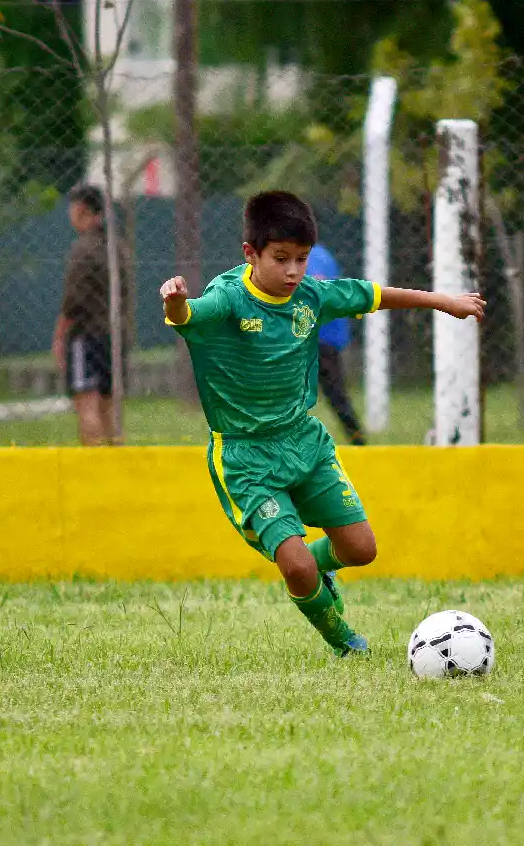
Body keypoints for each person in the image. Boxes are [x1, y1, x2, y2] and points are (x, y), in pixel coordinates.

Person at [160, 191, 485, 657]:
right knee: (293, 565)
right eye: (281, 259)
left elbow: (374, 295)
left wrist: (443, 302)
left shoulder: (311, 295)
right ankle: (344, 641)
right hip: (245, 457)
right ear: (250, 253)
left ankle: (317, 568)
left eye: (302, 259)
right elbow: (188, 316)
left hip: (304, 444)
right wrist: (175, 302)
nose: (294, 271)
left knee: (360, 549)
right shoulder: (228, 298)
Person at [52, 184, 124, 446]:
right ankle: (116, 460)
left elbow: (73, 301)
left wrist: (60, 337)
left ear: (80, 210)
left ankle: (93, 466)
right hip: (114, 334)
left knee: (86, 402)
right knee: (108, 404)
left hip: (86, 335)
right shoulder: (115, 246)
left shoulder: (83, 249)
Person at [307, 242, 367, 445]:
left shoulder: (311, 255)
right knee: (336, 396)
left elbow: (318, 282)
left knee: (336, 396)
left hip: (317, 339)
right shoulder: (323, 253)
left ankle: (358, 440)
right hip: (323, 338)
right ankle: (358, 440)